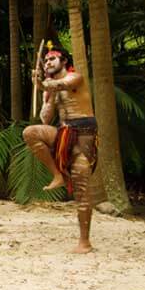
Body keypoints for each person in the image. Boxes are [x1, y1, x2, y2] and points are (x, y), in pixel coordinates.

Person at [23, 45, 97, 253]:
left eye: (52, 59)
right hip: (63, 134)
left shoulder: (75, 78)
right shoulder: (52, 89)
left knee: (82, 193)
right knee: (31, 132)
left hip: (83, 138)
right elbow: (45, 118)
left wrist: (42, 84)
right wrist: (47, 95)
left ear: (64, 61)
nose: (48, 63)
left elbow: (61, 84)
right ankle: (57, 175)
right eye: (45, 61)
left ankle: (85, 242)